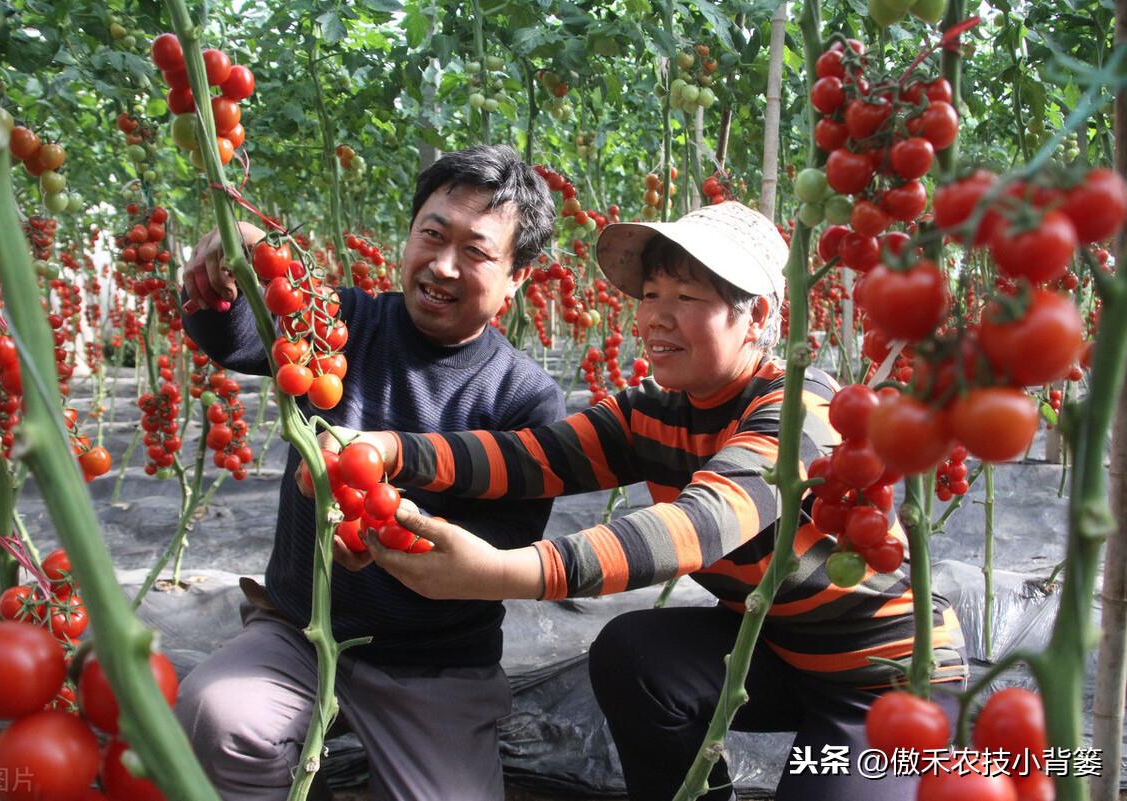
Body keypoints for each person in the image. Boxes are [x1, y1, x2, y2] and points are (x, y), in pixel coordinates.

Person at [326, 201, 970, 801]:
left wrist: (501, 573)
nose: (656, 317)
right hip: (772, 648)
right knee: (634, 655)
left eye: (688, 298)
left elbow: (697, 526)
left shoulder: (803, 412)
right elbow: (530, 457)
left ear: (759, 318)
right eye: (652, 295)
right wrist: (389, 449)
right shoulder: (653, 412)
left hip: (882, 680)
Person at [175, 144, 566, 801]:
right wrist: (230, 260)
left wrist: (387, 533)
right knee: (216, 716)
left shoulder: (525, 401)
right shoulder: (338, 324)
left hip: (433, 663)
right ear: (408, 235)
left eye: (475, 251)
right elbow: (237, 333)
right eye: (431, 235)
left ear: (516, 276)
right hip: (300, 627)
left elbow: (497, 550)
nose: (442, 266)